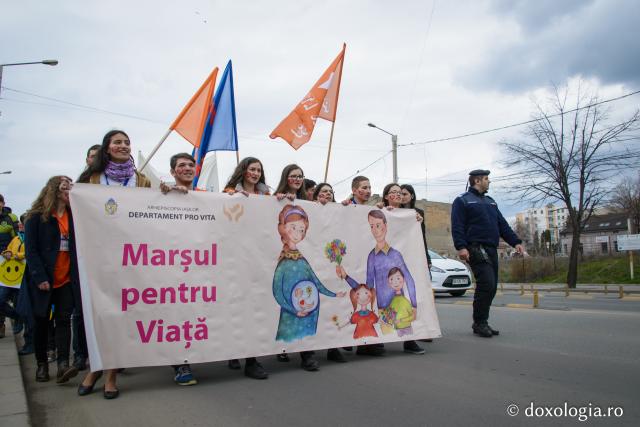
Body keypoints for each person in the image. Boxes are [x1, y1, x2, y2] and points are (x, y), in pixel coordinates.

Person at [77, 129, 151, 399]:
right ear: (106, 148)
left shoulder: (141, 180)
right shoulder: (91, 179)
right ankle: (95, 367)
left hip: (132, 258)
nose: (123, 146)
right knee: (101, 315)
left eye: (127, 142)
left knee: (122, 315)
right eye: (117, 142)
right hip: (99, 257)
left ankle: (109, 375)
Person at [24, 176, 83, 385]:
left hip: (66, 279)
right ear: (55, 191)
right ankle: (42, 364)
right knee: (41, 321)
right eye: (66, 188)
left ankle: (62, 365)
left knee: (64, 320)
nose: (70, 192)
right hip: (44, 280)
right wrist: (39, 277)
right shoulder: (36, 217)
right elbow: (30, 251)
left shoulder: (74, 216)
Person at [451, 170, 524, 338]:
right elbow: (457, 226)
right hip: (475, 248)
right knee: (487, 284)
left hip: (491, 249)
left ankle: (482, 321)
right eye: (486, 179)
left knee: (491, 288)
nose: (489, 182)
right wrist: (461, 247)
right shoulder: (463, 201)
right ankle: (479, 323)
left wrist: (516, 243)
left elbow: (502, 225)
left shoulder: (491, 202)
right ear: (477, 180)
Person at [272, 204, 346, 371]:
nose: (298, 233)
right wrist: (292, 309)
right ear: (283, 229)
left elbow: (316, 282)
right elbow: (277, 291)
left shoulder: (303, 259)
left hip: (311, 310)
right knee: (290, 335)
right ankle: (292, 353)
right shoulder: (283, 263)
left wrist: (334, 294)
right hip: (293, 312)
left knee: (308, 337)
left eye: (301, 230)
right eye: (293, 228)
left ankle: (308, 355)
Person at [217, 157, 269, 379]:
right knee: (238, 307)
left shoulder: (267, 196)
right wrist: (231, 199)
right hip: (237, 259)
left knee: (256, 307)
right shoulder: (229, 192)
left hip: (261, 260)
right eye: (252, 169)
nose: (255, 173)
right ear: (243, 171)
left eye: (259, 170)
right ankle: (239, 351)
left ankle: (251, 357)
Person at [310, 183, 347, 363]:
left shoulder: (338, 212)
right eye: (324, 191)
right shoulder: (309, 210)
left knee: (333, 307)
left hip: (332, 267)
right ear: (316, 195)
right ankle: (308, 349)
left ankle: (333, 347)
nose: (328, 194)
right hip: (314, 265)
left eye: (331, 192)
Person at [0, 194, 19, 338]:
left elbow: (18, 239)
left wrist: (10, 253)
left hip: (9, 263)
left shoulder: (11, 218)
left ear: (2, 203)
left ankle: (19, 316)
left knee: (3, 297)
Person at [400, 184, 432, 269]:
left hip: (415, 251)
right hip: (401, 251)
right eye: (400, 194)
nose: (402, 196)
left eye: (405, 194)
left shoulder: (419, 213)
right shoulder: (395, 211)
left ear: (412, 196)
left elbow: (422, 236)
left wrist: (427, 258)